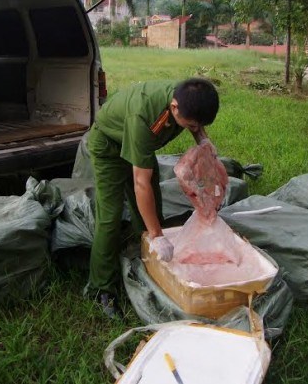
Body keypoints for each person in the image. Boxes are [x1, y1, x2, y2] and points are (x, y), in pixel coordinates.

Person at [86, 78, 220, 318]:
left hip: (140, 146)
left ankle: (147, 262)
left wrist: (202, 140)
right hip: (110, 148)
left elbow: (195, 121)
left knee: (152, 213)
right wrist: (158, 237)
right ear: (175, 107)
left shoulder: (188, 95)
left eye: (197, 126)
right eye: (189, 125)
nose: (193, 128)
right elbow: (141, 183)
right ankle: (101, 289)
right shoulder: (141, 118)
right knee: (110, 218)